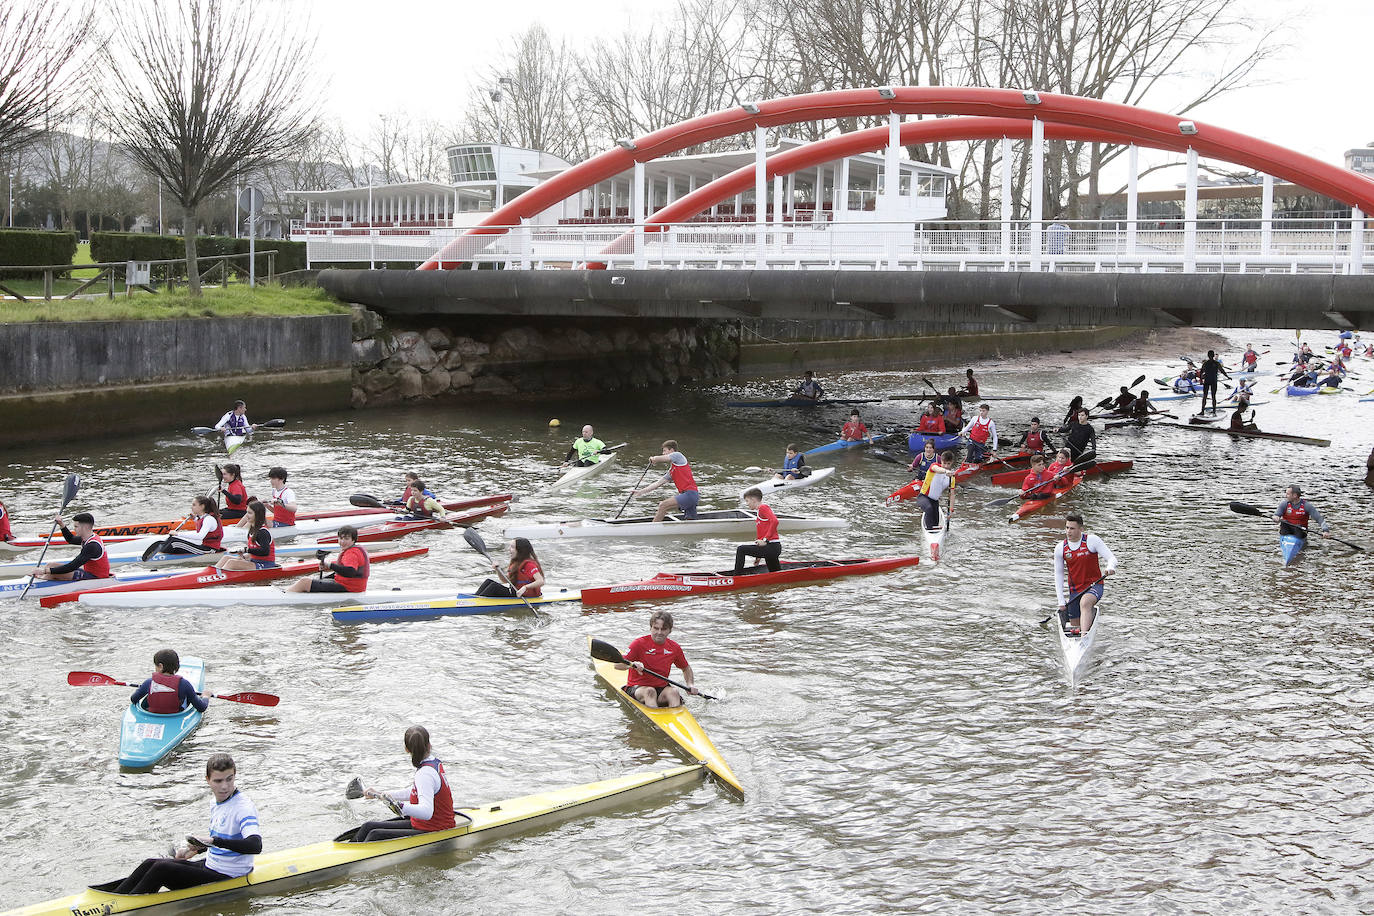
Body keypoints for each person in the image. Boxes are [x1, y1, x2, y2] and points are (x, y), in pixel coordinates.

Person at [109, 754, 260, 894]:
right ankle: (115, 897)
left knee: (161, 869)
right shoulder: (215, 802)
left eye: (229, 779)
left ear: (235, 775)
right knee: (150, 863)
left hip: (231, 875)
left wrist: (213, 841)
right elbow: (226, 840)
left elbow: (255, 845)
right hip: (211, 866)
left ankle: (122, 908)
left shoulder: (243, 807)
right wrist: (196, 850)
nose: (225, 786)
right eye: (218, 781)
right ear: (207, 779)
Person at [352, 725, 457, 842]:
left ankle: (350, 859)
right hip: (425, 824)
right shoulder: (433, 763)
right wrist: (381, 794)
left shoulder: (425, 773)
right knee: (368, 826)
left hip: (437, 830)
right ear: (429, 744)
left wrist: (400, 806)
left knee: (375, 834)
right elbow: (414, 792)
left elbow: (427, 812)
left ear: (406, 749)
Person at [1054, 511, 1117, 635]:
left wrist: (1110, 567)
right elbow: (1058, 575)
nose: (1068, 532)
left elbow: (1112, 558)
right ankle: (1080, 632)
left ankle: (1084, 636)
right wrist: (1061, 600)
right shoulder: (1060, 548)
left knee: (1085, 603)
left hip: (1094, 586)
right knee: (1074, 624)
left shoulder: (1092, 540)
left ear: (1081, 529)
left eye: (1072, 528)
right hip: (1075, 590)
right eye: (1067, 528)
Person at [618, 610, 697, 708]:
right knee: (650, 691)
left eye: (663, 629)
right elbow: (617, 665)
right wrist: (632, 664)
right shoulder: (638, 644)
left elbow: (686, 668)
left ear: (670, 630)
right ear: (651, 627)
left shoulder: (674, 647)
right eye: (656, 628)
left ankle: (675, 719)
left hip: (661, 689)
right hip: (638, 688)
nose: (659, 632)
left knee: (674, 692)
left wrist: (690, 684)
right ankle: (653, 721)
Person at [285, 525, 369, 592]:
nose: (342, 542)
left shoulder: (351, 553)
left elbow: (350, 572)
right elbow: (344, 571)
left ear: (353, 540)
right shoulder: (356, 549)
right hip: (355, 585)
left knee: (304, 582)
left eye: (346, 539)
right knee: (312, 581)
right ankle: (288, 592)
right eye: (341, 538)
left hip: (350, 587)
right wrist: (327, 571)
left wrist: (329, 565)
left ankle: (285, 595)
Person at [632, 440, 699, 522]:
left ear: (671, 450)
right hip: (688, 496)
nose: (663, 453)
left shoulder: (678, 456)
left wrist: (654, 459)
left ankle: (653, 529)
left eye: (664, 450)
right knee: (690, 522)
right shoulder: (672, 471)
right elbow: (657, 483)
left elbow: (663, 458)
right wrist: (641, 492)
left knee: (663, 505)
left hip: (690, 495)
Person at [35, 512, 111, 582]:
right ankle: (41, 577)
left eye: (76, 526)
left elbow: (72, 566)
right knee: (50, 565)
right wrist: (61, 524)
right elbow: (71, 539)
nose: (74, 529)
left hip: (97, 578)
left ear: (84, 527)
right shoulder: (87, 537)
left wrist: (44, 571)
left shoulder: (92, 546)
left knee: (51, 574)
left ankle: (40, 582)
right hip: (88, 572)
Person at [130, 649, 209, 716]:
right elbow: (201, 707)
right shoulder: (184, 684)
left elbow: (133, 699)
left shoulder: (149, 682)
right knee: (185, 698)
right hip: (175, 716)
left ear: (160, 666)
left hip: (151, 715)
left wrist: (142, 688)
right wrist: (205, 697)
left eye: (156, 666)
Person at [474, 537, 544, 598]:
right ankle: (474, 599)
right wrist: (498, 570)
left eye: (512, 547)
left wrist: (525, 587)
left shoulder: (529, 565)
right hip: (515, 593)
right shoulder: (516, 563)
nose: (509, 549)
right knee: (488, 582)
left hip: (525, 596)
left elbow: (540, 581)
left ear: (520, 550)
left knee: (494, 587)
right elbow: (505, 581)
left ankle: (476, 604)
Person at [216, 501, 277, 570]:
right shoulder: (251, 531)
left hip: (266, 565)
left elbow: (265, 551)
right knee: (226, 558)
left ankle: (217, 578)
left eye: (250, 513)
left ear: (258, 515)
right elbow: (253, 553)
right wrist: (244, 556)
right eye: (247, 512)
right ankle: (211, 575)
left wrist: (246, 550)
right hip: (254, 561)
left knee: (231, 563)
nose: (246, 515)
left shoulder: (263, 532)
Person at [734, 488, 781, 573]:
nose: (747, 504)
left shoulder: (763, 507)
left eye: (747, 501)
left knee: (741, 549)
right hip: (770, 548)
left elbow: (775, 521)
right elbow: (761, 535)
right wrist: (758, 557)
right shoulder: (759, 511)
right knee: (775, 573)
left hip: (772, 547)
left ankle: (736, 577)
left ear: (753, 500)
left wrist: (765, 540)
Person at [914, 449, 957, 533]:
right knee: (929, 509)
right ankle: (929, 532)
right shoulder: (934, 467)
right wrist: (945, 471)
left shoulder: (952, 478)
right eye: (944, 463)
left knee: (935, 522)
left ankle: (934, 531)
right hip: (923, 497)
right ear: (941, 461)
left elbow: (952, 494)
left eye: (948, 464)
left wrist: (951, 510)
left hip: (935, 501)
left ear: (951, 463)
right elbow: (937, 469)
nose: (946, 465)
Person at [1198, 349, 1230, 415]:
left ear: (1208, 355)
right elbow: (1222, 370)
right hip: (1213, 380)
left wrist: (1201, 380)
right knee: (1213, 396)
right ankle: (1214, 411)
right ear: (1213, 355)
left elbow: (1201, 372)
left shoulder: (1205, 363)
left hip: (1207, 380)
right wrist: (1227, 377)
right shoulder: (1216, 363)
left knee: (1205, 396)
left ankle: (1202, 411)